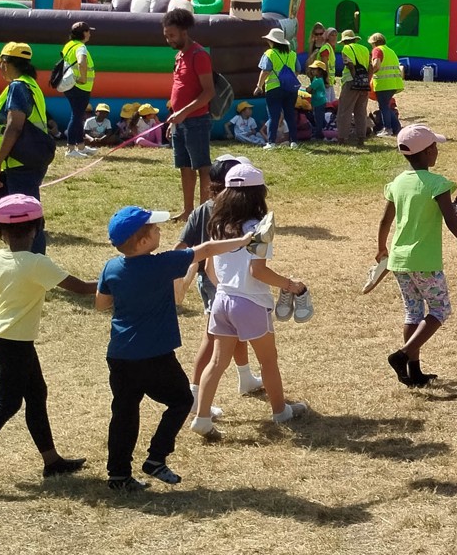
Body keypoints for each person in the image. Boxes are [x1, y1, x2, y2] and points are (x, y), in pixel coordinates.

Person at [0, 195, 97, 492]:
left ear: (1, 231)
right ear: (38, 228)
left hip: (1, 337)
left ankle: (52, 461)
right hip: (15, 342)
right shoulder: (37, 263)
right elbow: (80, 289)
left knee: (36, 394)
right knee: (6, 405)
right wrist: (117, 278)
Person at [97, 205, 253, 491]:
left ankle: (118, 475)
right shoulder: (162, 263)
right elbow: (206, 249)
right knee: (181, 400)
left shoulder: (111, 267)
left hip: (119, 355)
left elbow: (101, 303)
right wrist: (243, 241)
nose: (160, 231)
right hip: (154, 356)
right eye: (155, 229)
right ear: (143, 241)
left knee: (124, 411)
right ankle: (156, 458)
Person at [191, 164, 310, 440]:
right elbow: (258, 271)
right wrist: (289, 285)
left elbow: (210, 269)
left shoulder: (217, 224)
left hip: (222, 301)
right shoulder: (259, 229)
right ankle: (280, 411)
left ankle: (202, 416)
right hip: (251, 303)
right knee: (269, 360)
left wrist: (228, 290)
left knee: (217, 362)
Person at [377, 124, 457, 385]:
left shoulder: (397, 183)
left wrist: (381, 247)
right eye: (435, 147)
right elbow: (453, 222)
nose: (437, 150)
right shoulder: (437, 184)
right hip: (424, 260)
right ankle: (402, 355)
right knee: (440, 309)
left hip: (399, 260)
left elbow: (385, 221)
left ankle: (413, 372)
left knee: (413, 312)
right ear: (427, 152)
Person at [175, 156, 262, 423]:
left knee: (233, 334)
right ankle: (193, 394)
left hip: (216, 281)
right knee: (212, 339)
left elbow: (182, 245)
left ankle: (245, 377)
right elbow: (186, 248)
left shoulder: (203, 209)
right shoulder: (226, 211)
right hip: (220, 282)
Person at [0, 43, 52, 255]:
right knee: (29, 212)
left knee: (27, 216)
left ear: (5, 62)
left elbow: (14, 127)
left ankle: (35, 267)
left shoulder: (17, 87)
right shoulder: (30, 84)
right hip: (31, 159)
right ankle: (33, 265)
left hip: (19, 163)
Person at [162, 8, 215, 221]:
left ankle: (204, 213)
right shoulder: (179, 56)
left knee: (202, 167)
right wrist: (174, 118)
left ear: (184, 32)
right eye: (166, 36)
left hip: (197, 121)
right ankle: (187, 211)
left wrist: (183, 112)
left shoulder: (199, 55)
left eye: (172, 35)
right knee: (184, 167)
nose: (168, 40)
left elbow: (209, 91)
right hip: (180, 122)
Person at [255, 27, 300, 150]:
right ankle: (294, 142)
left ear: (272, 42)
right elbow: (298, 70)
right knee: (290, 115)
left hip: (274, 89)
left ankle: (271, 143)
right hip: (290, 89)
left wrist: (259, 86)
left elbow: (265, 71)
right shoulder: (292, 54)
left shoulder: (269, 53)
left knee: (273, 116)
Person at [61, 21, 98, 159]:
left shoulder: (69, 45)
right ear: (83, 33)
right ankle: (70, 149)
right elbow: (81, 62)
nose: (90, 33)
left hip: (70, 85)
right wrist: (82, 78)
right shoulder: (80, 47)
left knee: (77, 115)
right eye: (88, 31)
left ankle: (80, 146)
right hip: (80, 86)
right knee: (76, 116)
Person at [336, 30, 372, 146]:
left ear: (345, 41)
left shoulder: (346, 49)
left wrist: (355, 80)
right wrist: (366, 81)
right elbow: (370, 67)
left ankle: (342, 138)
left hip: (351, 82)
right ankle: (361, 138)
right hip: (364, 82)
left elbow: (350, 65)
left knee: (345, 111)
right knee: (361, 111)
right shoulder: (365, 49)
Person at [369, 33, 404, 136]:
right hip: (394, 83)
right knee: (386, 106)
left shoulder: (377, 50)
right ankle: (396, 128)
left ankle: (387, 129)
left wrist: (370, 73)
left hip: (383, 83)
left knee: (383, 106)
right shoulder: (390, 51)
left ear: (374, 42)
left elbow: (376, 65)